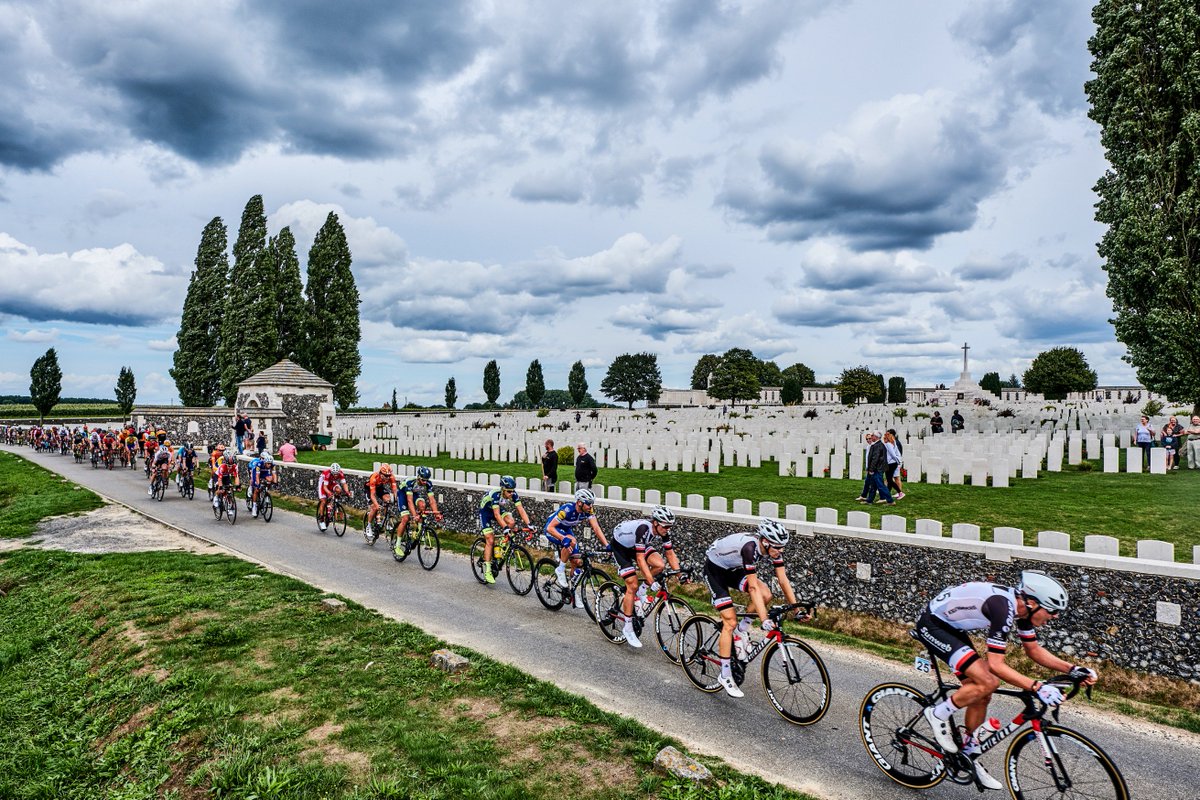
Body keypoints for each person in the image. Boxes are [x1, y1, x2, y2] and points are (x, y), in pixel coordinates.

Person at [914, 571, 1097, 790]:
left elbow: (1033, 650)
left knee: (982, 693)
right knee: (989, 681)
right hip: (933, 624)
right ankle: (937, 714)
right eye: (1053, 610)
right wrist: (1037, 687)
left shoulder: (1024, 611)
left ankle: (968, 754)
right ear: (1032, 602)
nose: (1055, 616)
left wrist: (1073, 669)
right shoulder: (1003, 607)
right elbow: (996, 665)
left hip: (953, 628)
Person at [702, 519, 798, 697]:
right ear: (765, 542)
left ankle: (741, 631)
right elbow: (752, 587)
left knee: (766, 594)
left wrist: (796, 608)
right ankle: (725, 674)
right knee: (729, 621)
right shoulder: (750, 548)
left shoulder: (773, 549)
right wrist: (764, 620)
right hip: (715, 571)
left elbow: (783, 580)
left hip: (733, 569)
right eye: (778, 547)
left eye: (782, 547)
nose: (781, 551)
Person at [609, 506, 682, 648]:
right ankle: (628, 628)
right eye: (666, 526)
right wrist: (651, 581)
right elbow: (640, 559)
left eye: (670, 526)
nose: (668, 529)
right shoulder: (643, 529)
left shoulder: (663, 531)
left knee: (659, 564)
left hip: (637, 545)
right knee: (632, 584)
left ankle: (642, 591)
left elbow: (670, 554)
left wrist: (680, 574)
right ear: (655, 523)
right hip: (621, 548)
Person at [544, 488, 610, 607]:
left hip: (565, 530)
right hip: (553, 529)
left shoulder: (588, 511)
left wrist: (607, 545)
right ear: (580, 502)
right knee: (572, 541)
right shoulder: (567, 510)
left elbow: (596, 528)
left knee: (577, 561)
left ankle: (571, 591)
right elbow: (550, 528)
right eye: (589, 503)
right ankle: (560, 569)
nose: (591, 506)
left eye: (592, 503)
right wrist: (563, 538)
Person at [477, 476, 533, 584]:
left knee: (511, 522)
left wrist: (529, 524)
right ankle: (487, 570)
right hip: (486, 512)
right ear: (502, 489)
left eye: (512, 491)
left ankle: (502, 545)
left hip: (498, 509)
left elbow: (521, 509)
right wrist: (505, 528)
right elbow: (497, 515)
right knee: (490, 539)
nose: (511, 494)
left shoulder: (513, 494)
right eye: (509, 491)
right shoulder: (495, 495)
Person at [394, 466, 443, 556]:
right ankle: (397, 545)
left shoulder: (428, 483)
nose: (425, 482)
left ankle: (419, 532)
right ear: (418, 477)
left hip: (414, 493)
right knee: (405, 519)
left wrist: (436, 513)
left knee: (422, 505)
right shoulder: (410, 482)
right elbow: (409, 500)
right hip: (403, 494)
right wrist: (414, 515)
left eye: (426, 480)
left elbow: (432, 500)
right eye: (423, 480)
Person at [364, 463, 398, 543]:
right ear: (381, 473)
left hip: (379, 487)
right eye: (385, 476)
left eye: (388, 476)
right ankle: (368, 526)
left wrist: (395, 499)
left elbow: (394, 490)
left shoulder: (391, 477)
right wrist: (376, 504)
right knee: (375, 507)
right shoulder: (374, 477)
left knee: (388, 500)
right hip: (369, 488)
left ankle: (386, 521)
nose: (387, 478)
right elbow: (372, 495)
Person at [862, 432, 894, 505]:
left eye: (872, 435)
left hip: (877, 469)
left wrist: (871, 469)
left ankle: (890, 501)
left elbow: (875, 459)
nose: (871, 436)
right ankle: (869, 500)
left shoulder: (878, 445)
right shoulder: (878, 445)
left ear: (875, 437)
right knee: (873, 485)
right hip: (878, 468)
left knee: (881, 486)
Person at [317, 463, 350, 532]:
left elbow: (344, 484)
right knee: (323, 500)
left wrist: (347, 491)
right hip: (323, 483)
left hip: (332, 482)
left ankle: (333, 505)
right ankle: (322, 520)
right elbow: (325, 487)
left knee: (338, 490)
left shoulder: (340, 473)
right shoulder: (327, 474)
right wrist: (329, 493)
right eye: (334, 474)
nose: (335, 475)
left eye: (336, 474)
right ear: (331, 472)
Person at [249, 451, 276, 517]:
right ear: (265, 462)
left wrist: (275, 483)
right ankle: (254, 507)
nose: (269, 465)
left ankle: (265, 492)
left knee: (270, 480)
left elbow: (274, 474)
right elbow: (257, 476)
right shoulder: (259, 464)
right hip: (257, 473)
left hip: (264, 473)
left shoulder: (273, 465)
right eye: (268, 464)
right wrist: (257, 484)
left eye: (270, 464)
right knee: (256, 490)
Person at [884, 429, 905, 499]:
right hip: (893, 463)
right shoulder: (893, 442)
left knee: (892, 479)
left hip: (892, 463)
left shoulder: (890, 444)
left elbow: (894, 454)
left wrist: (898, 461)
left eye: (887, 435)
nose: (885, 436)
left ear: (891, 435)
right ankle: (887, 494)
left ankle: (900, 492)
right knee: (889, 479)